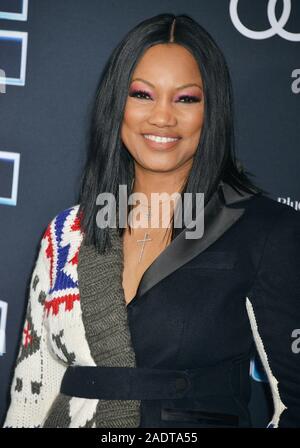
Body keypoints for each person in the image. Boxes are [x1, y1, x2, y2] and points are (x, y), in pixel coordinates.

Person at [2, 13, 300, 428]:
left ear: (212, 111)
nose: (162, 117)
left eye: (186, 98)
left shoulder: (265, 230)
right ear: (116, 103)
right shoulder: (66, 233)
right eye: (142, 94)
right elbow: (30, 393)